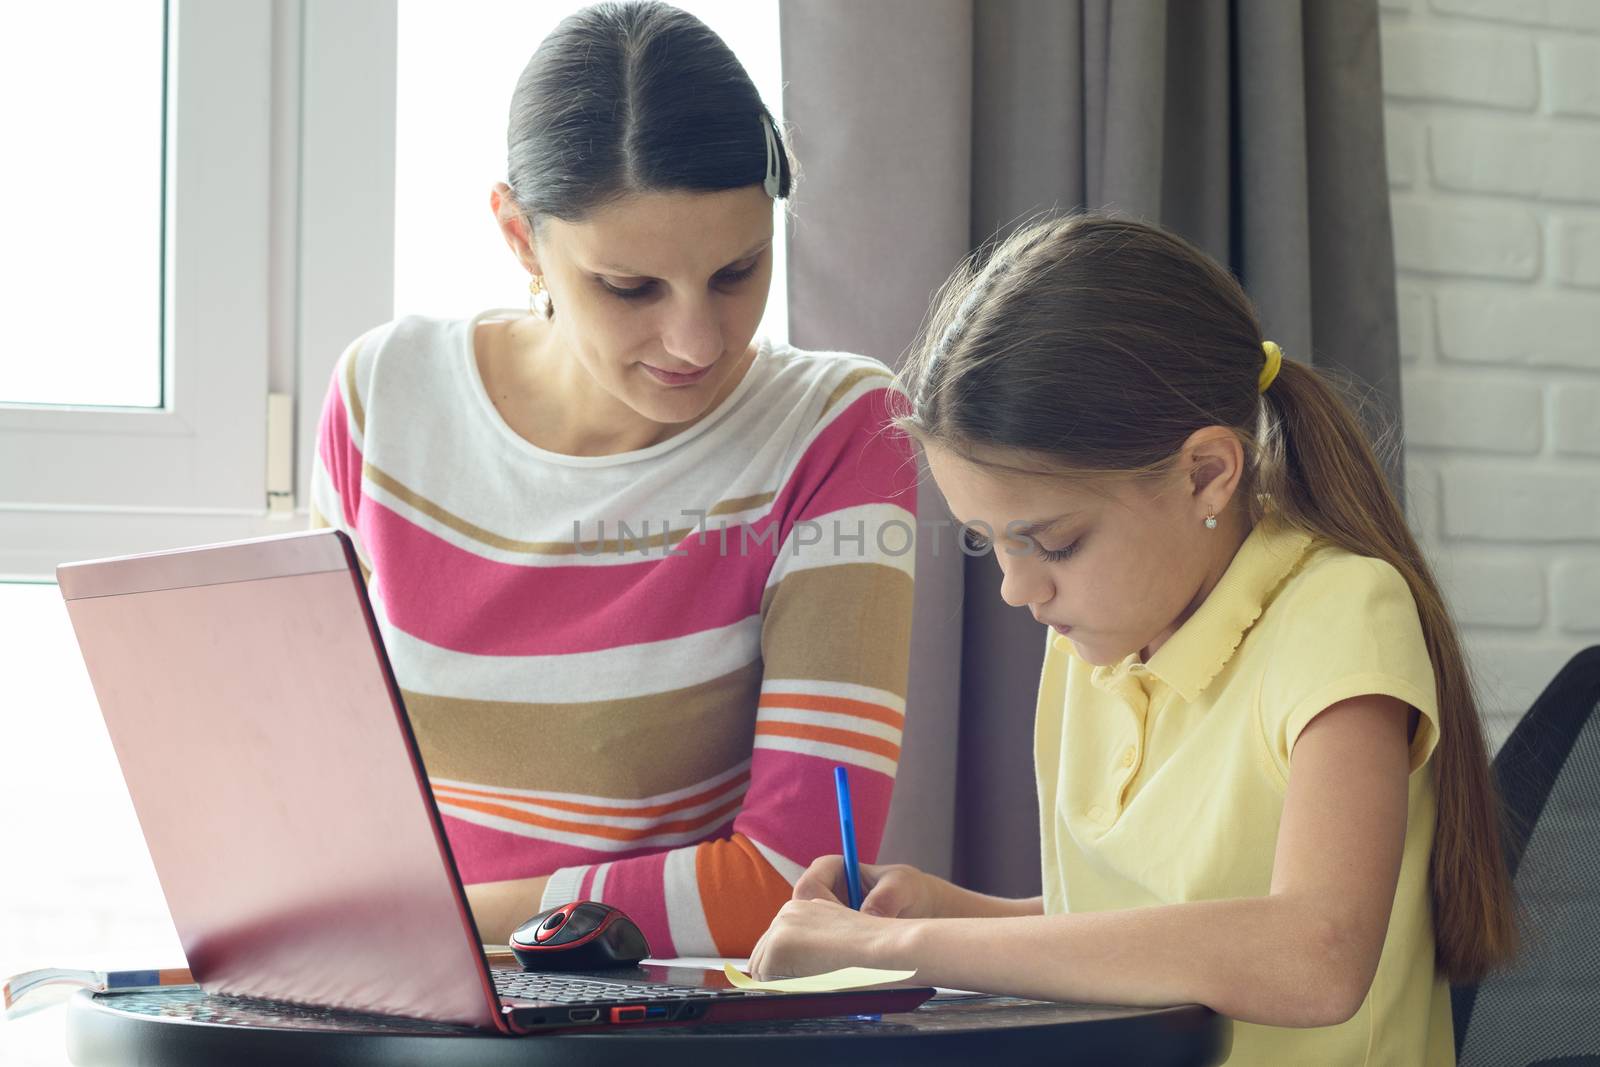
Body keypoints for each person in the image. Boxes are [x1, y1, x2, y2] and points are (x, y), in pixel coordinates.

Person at [748, 214, 1515, 1065]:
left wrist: (895, 950)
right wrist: (943, 912)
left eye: (1055, 541)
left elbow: (1314, 954)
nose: (1017, 587)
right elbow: (1147, 931)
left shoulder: (1341, 611)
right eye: (988, 540)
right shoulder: (1093, 635)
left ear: (1205, 474)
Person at [309, 1, 916, 955]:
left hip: (659, 1025)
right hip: (398, 998)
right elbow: (329, 811)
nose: (698, 339)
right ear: (519, 236)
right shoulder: (384, 399)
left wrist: (441, 921)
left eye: (737, 271)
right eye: (630, 287)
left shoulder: (836, 429)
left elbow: (796, 882)